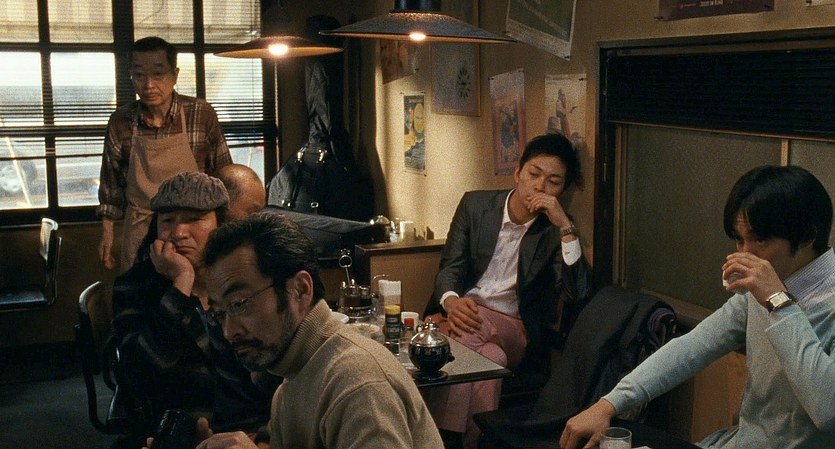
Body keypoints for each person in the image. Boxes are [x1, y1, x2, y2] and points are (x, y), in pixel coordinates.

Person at [561, 165, 835, 449]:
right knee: (604, 435)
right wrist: (609, 403)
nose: (745, 254)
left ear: (807, 236)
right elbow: (693, 347)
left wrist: (779, 302)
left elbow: (828, 411)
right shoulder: (765, 289)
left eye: (760, 240)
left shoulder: (789, 294)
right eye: (739, 239)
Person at [193, 212, 444, 449]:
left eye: (238, 304)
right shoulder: (293, 377)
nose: (228, 332)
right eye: (219, 313)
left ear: (300, 290)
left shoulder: (356, 380)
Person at [422, 133, 593, 449]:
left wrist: (565, 226)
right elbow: (450, 267)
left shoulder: (554, 230)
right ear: (518, 172)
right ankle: (476, 442)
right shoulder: (475, 205)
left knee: (471, 329)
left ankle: (440, 438)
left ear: (563, 190)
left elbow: (577, 293)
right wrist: (451, 302)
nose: (540, 187)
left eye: (553, 182)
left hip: (514, 328)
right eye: (534, 174)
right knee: (491, 360)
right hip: (464, 313)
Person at [112, 172, 277, 447]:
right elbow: (139, 374)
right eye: (168, 220)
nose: (179, 233)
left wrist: (266, 433)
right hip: (180, 432)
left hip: (255, 423)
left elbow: (273, 356)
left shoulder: (242, 279)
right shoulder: (134, 287)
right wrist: (181, 283)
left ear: (220, 224)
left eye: (194, 219)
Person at [98, 36, 232, 272]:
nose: (148, 85)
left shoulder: (200, 114)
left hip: (191, 232)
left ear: (175, 75)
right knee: (141, 291)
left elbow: (224, 177)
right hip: (140, 229)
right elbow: (111, 185)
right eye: (139, 75)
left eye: (158, 74)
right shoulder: (121, 121)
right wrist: (107, 234)